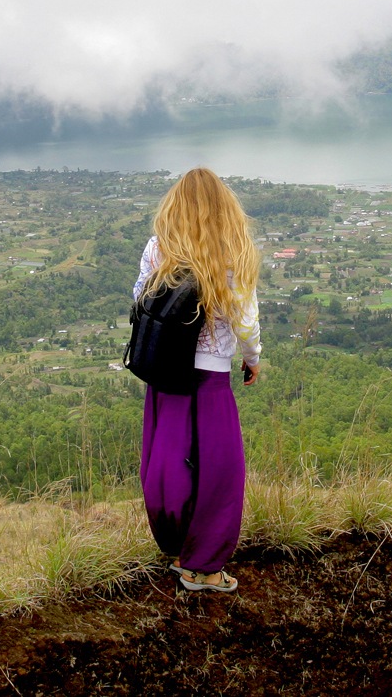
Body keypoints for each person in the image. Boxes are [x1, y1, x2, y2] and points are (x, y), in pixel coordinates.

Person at [134, 167, 262, 593]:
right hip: (210, 376)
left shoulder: (159, 248)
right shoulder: (234, 251)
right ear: (225, 206)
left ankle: (176, 549)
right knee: (220, 470)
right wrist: (252, 359)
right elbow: (245, 321)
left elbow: (139, 298)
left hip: (164, 370)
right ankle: (204, 567)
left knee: (166, 463)